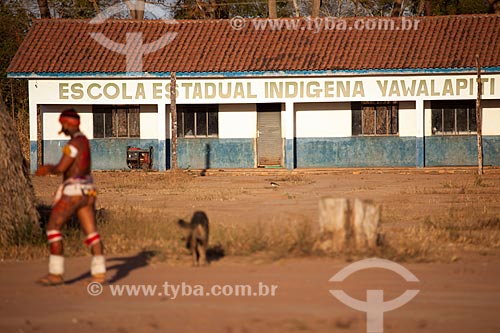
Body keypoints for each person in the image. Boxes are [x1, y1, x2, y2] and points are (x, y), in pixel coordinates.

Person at [36, 109, 106, 286]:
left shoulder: (74, 144)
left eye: (63, 124)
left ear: (67, 124)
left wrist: (47, 169)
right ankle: (99, 273)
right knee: (92, 233)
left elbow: (62, 167)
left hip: (74, 192)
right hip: (88, 191)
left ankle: (56, 273)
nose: (62, 127)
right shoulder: (84, 141)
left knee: (53, 227)